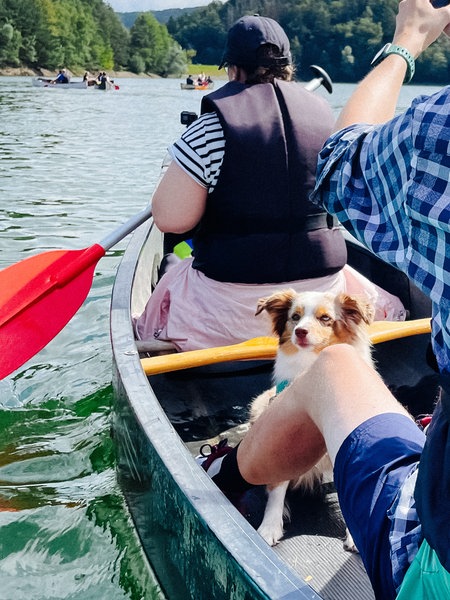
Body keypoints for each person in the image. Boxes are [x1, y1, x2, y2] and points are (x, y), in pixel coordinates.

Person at [198, 1, 450, 598]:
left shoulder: (435, 130)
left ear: (230, 68)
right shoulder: (314, 106)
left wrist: (407, 43)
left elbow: (337, 168)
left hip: (438, 568)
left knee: (333, 364)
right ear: (287, 67)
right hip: (329, 280)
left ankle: (229, 470)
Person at [134, 15, 403, 352]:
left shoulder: (208, 128)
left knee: (174, 265)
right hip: (321, 295)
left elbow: (172, 221)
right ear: (288, 67)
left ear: (233, 69)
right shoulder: (330, 122)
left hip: (230, 309)